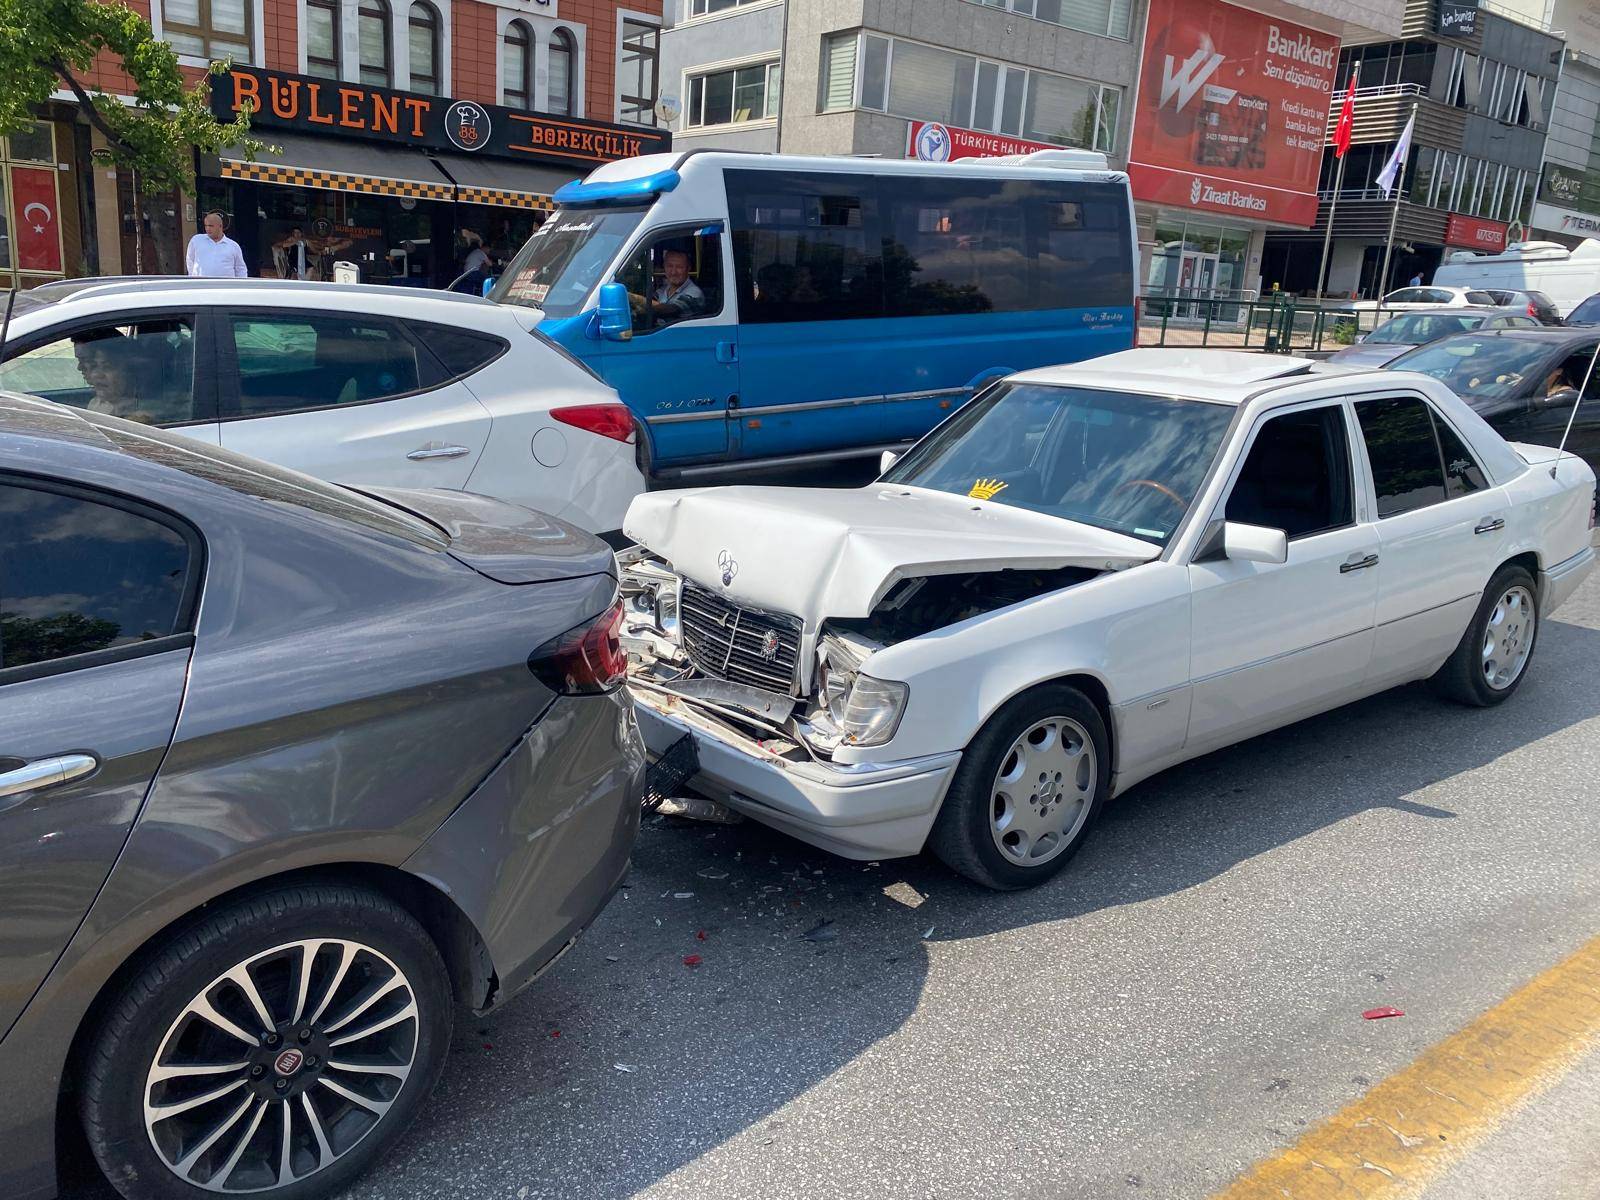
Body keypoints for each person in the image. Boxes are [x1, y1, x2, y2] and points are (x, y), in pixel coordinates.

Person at [633, 248, 704, 324]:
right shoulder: (662, 291)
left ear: (688, 268)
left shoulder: (694, 294)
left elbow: (668, 310)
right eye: (669, 266)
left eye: (679, 267)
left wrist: (633, 297)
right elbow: (648, 304)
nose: (673, 272)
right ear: (664, 267)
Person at [186, 211, 248, 278]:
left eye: (211, 226)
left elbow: (240, 269)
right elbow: (190, 261)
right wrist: (192, 278)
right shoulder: (196, 240)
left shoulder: (233, 246)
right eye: (206, 225)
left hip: (225, 286)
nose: (208, 228)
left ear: (220, 226)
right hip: (201, 285)